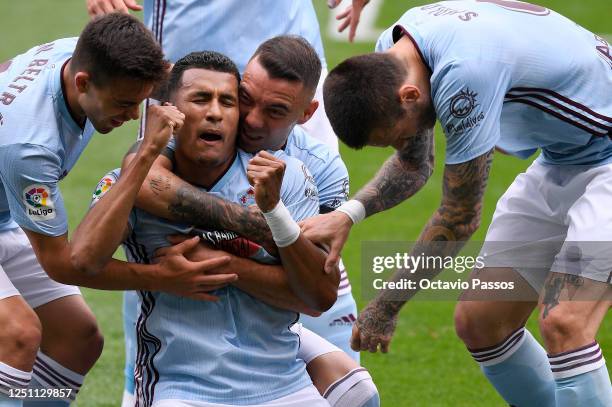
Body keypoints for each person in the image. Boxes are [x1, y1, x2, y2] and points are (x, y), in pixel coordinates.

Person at [299, 1, 612, 406]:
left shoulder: (465, 75)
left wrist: (384, 307)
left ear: (409, 96)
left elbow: (460, 216)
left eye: (394, 136)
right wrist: (349, 213)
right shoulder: (392, 52)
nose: (400, 146)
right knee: (481, 322)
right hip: (565, 156)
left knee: (565, 321)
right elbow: (415, 166)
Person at [114, 41, 379, 407]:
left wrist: (226, 259)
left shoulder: (317, 168)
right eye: (245, 99)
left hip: (272, 319)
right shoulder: (196, 129)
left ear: (306, 114)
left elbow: (312, 291)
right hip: (195, 333)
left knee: (358, 394)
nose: (251, 119)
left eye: (274, 111)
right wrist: (257, 225)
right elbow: (139, 178)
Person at [0, 13, 234, 406]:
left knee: (78, 337)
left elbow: (167, 74)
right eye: (125, 104)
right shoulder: (31, 148)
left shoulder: (86, 54)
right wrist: (160, 276)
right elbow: (62, 263)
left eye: (139, 102)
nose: (131, 117)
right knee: (16, 334)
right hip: (12, 186)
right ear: (83, 83)